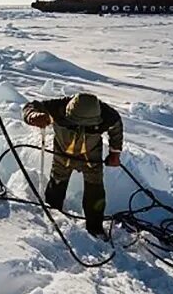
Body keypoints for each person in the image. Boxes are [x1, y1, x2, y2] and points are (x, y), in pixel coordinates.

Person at [22, 93, 123, 239]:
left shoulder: (106, 113)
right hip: (63, 155)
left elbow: (116, 126)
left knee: (95, 191)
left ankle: (95, 229)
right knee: (56, 186)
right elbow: (30, 106)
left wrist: (115, 152)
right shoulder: (58, 106)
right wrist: (32, 115)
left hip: (91, 157)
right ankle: (52, 220)